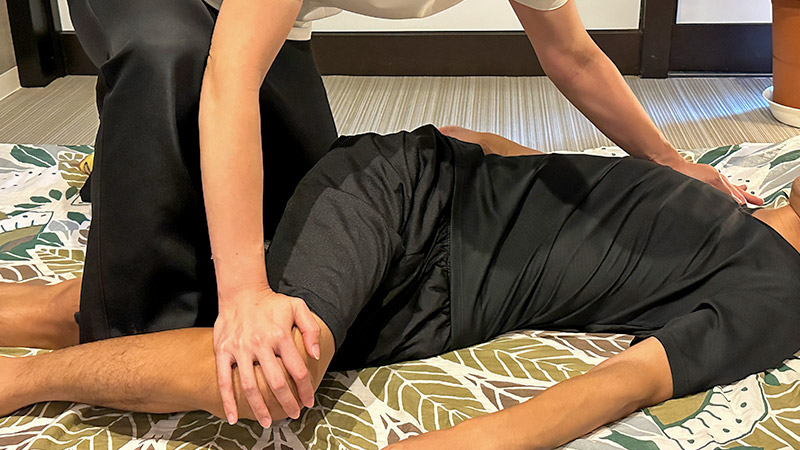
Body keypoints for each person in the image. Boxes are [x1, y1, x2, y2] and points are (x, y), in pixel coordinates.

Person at [65, 0, 763, 427]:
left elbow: (572, 55)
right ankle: (71, 341)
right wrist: (243, 292)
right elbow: (229, 80)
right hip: (159, 10)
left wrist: (667, 159)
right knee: (177, 76)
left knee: (289, 224)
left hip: (262, 19)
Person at [1, 126, 798, 449]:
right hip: (408, 192)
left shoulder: (779, 290)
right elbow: (535, 165)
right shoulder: (720, 188)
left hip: (426, 295)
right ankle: (19, 383)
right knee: (272, 366)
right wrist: (441, 145)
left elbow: (623, 383)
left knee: (143, 311)